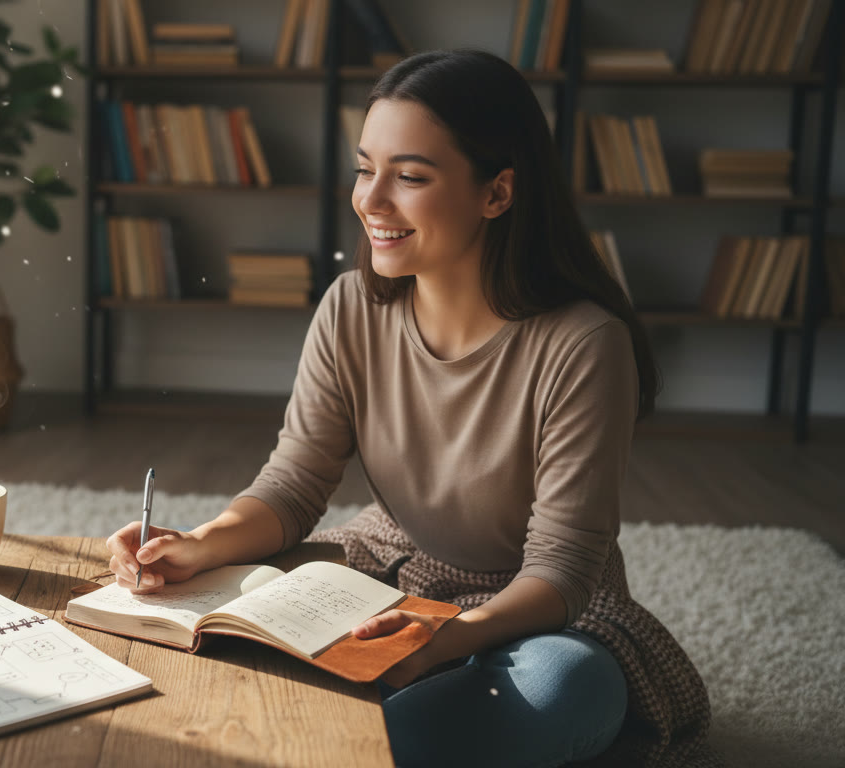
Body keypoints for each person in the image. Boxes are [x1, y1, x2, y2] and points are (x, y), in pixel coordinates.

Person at [105, 50, 717, 768]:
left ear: (497, 193)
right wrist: (202, 542)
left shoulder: (584, 345)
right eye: (367, 168)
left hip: (534, 615)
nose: (371, 200)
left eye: (411, 177)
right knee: (225, 620)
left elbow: (562, 570)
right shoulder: (350, 308)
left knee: (564, 688)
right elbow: (295, 483)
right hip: (390, 571)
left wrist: (447, 640)